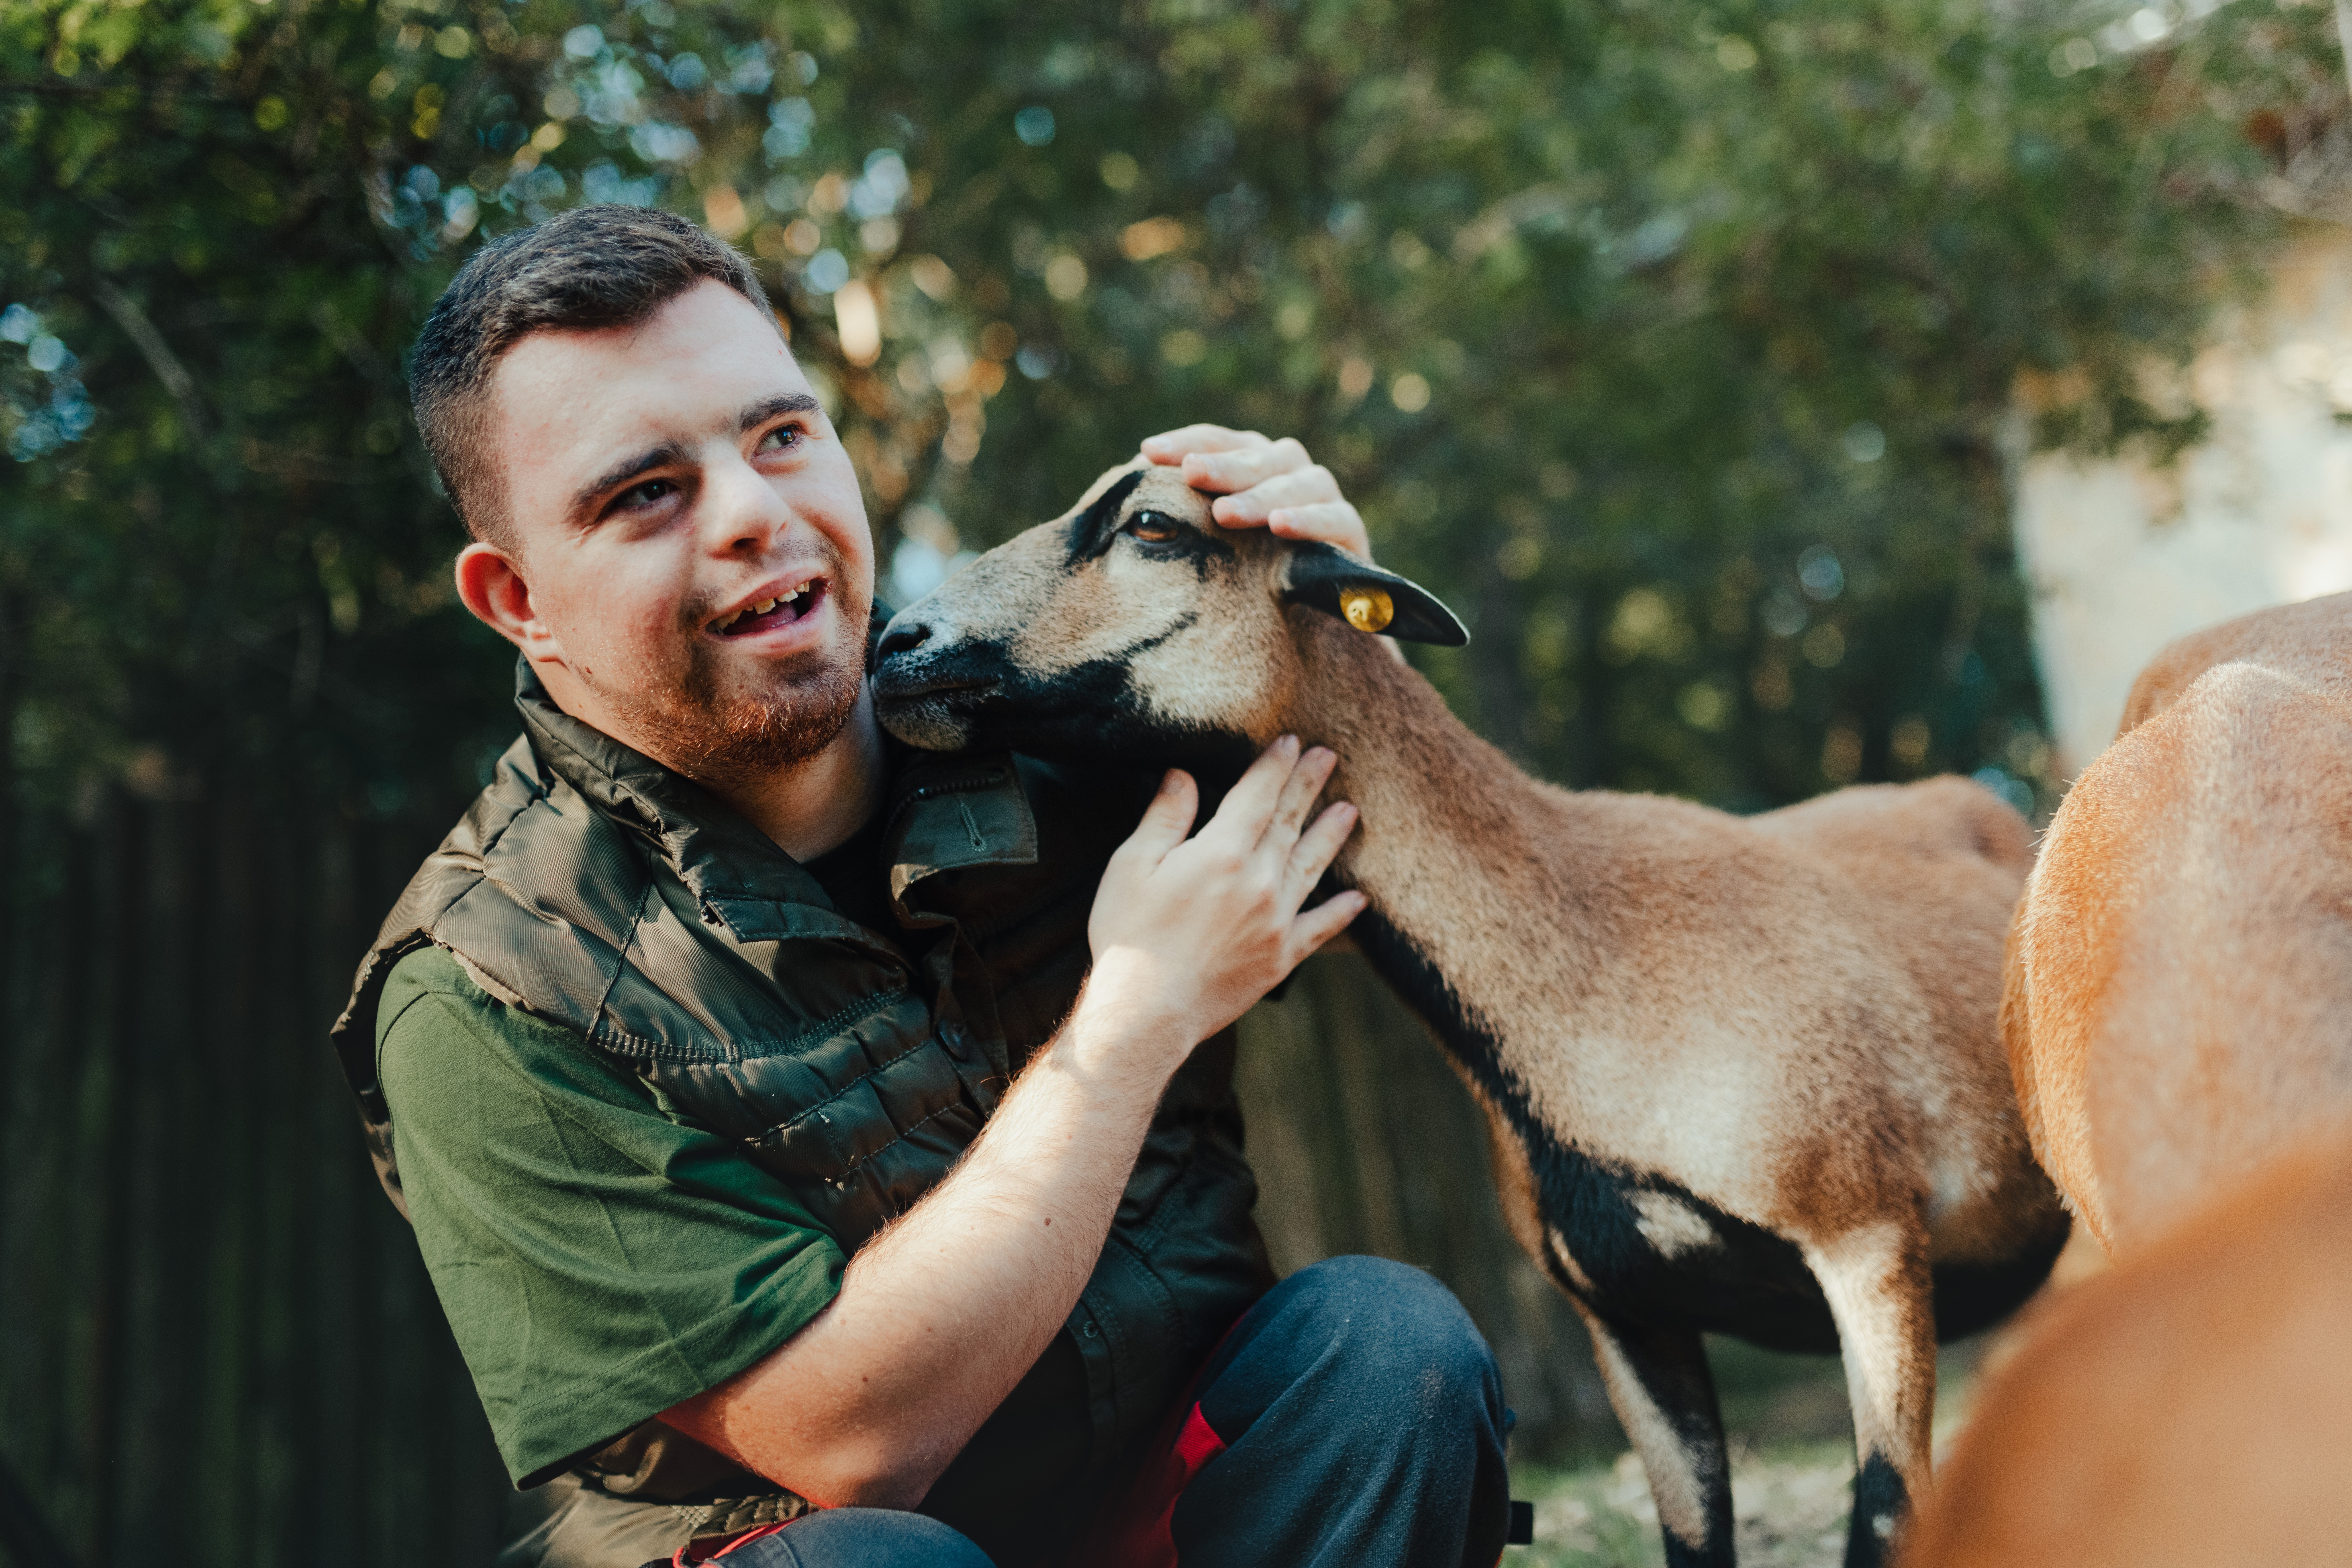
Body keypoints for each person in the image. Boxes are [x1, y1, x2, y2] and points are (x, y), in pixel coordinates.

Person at [329, 204, 1510, 1568]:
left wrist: (1311, 627)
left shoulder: (1055, 726)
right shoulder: (481, 986)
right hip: (804, 1547)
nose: (757, 515)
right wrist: (1140, 1009)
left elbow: (1411, 860)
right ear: (516, 598)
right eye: (647, 491)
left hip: (1152, 1510)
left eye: (780, 435)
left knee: (1388, 1353)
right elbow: (853, 1448)